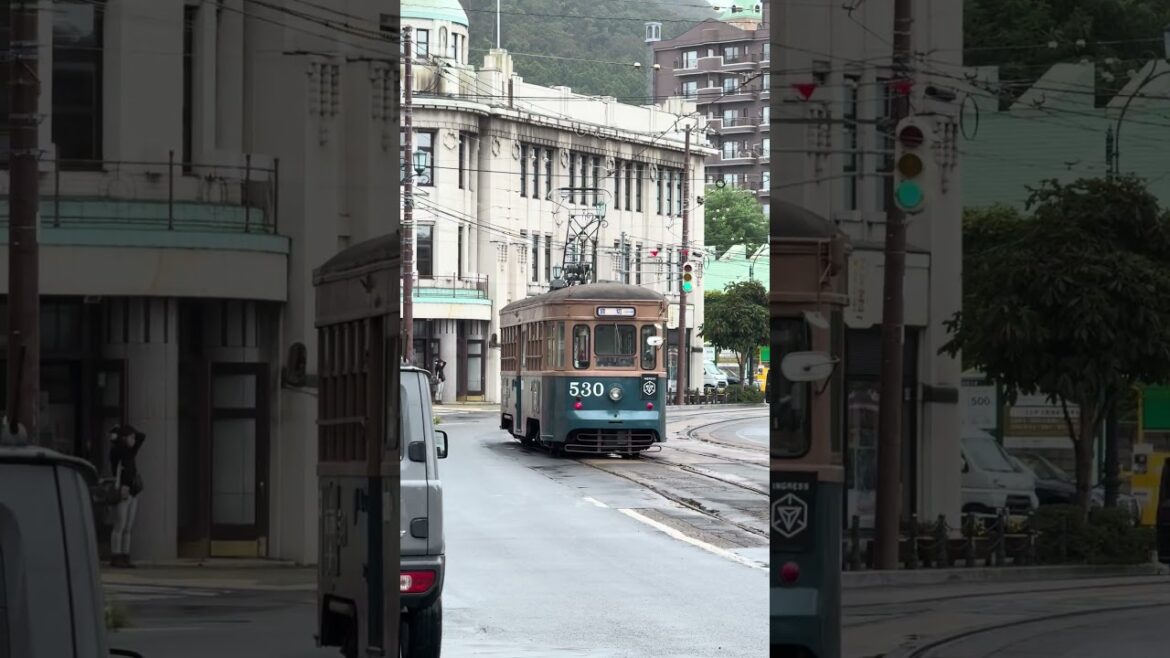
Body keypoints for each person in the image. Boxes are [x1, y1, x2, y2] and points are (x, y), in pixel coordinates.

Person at [109, 424, 146, 568]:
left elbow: (142, 436)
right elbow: (115, 466)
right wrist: (119, 434)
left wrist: (130, 431)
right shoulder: (116, 451)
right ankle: (115, 555)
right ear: (124, 438)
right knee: (120, 524)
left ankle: (125, 555)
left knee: (128, 527)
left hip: (132, 491)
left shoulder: (131, 452)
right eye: (131, 437)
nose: (134, 439)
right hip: (122, 491)